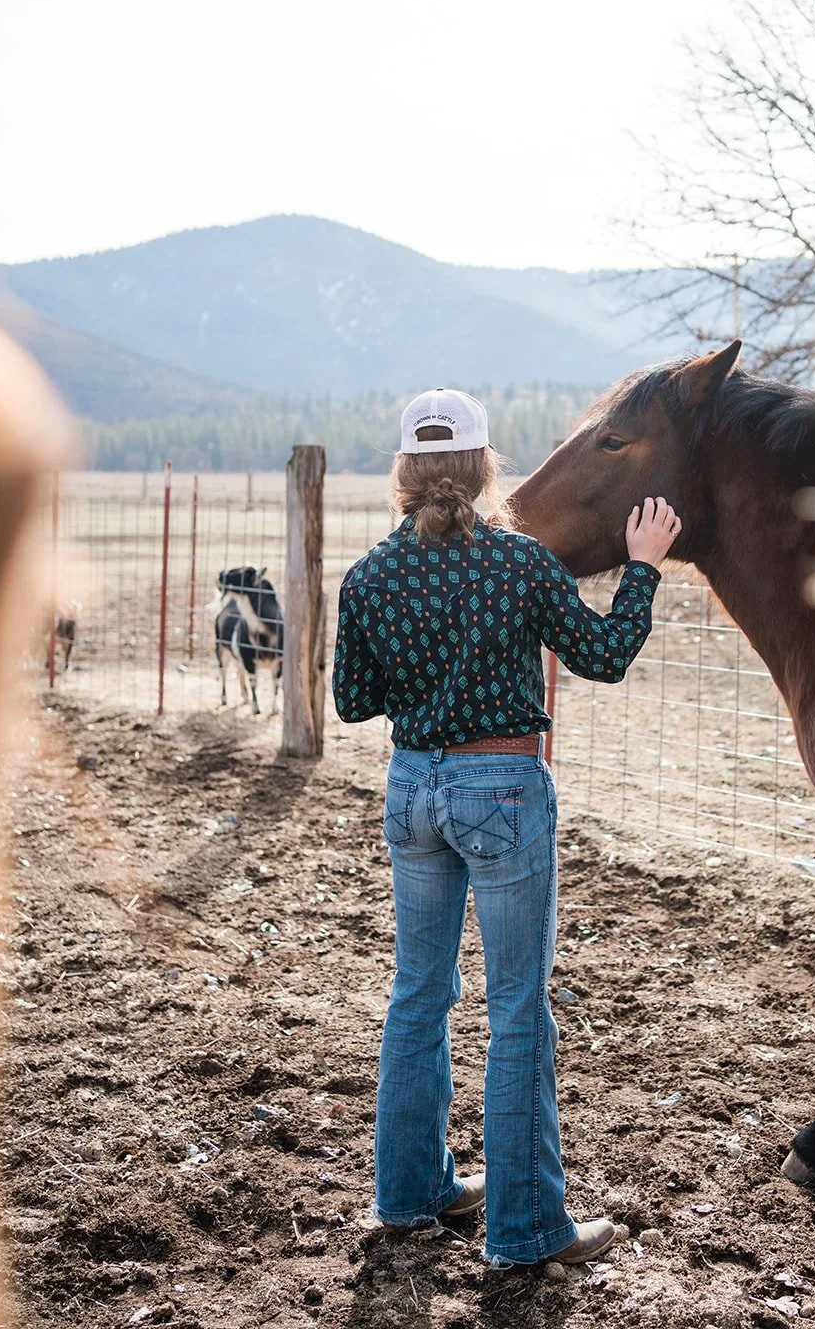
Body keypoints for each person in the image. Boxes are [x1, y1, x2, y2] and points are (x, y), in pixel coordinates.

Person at [332, 387, 680, 1266]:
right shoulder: (519, 564)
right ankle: (525, 1230)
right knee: (518, 1006)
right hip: (504, 792)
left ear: (405, 473)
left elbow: (351, 701)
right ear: (486, 468)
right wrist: (641, 566)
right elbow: (601, 659)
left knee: (419, 995)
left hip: (413, 790)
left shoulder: (369, 575)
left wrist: (421, 679)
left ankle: (410, 1194)